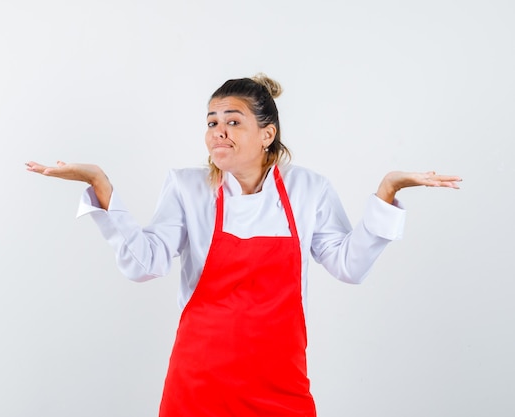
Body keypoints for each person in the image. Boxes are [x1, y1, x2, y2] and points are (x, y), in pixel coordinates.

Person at [26, 73, 461, 417]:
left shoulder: (308, 189)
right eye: (212, 122)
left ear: (267, 134)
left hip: (281, 384)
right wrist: (100, 186)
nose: (219, 131)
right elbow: (147, 263)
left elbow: (349, 265)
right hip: (198, 383)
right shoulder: (187, 187)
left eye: (233, 121)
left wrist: (386, 192)